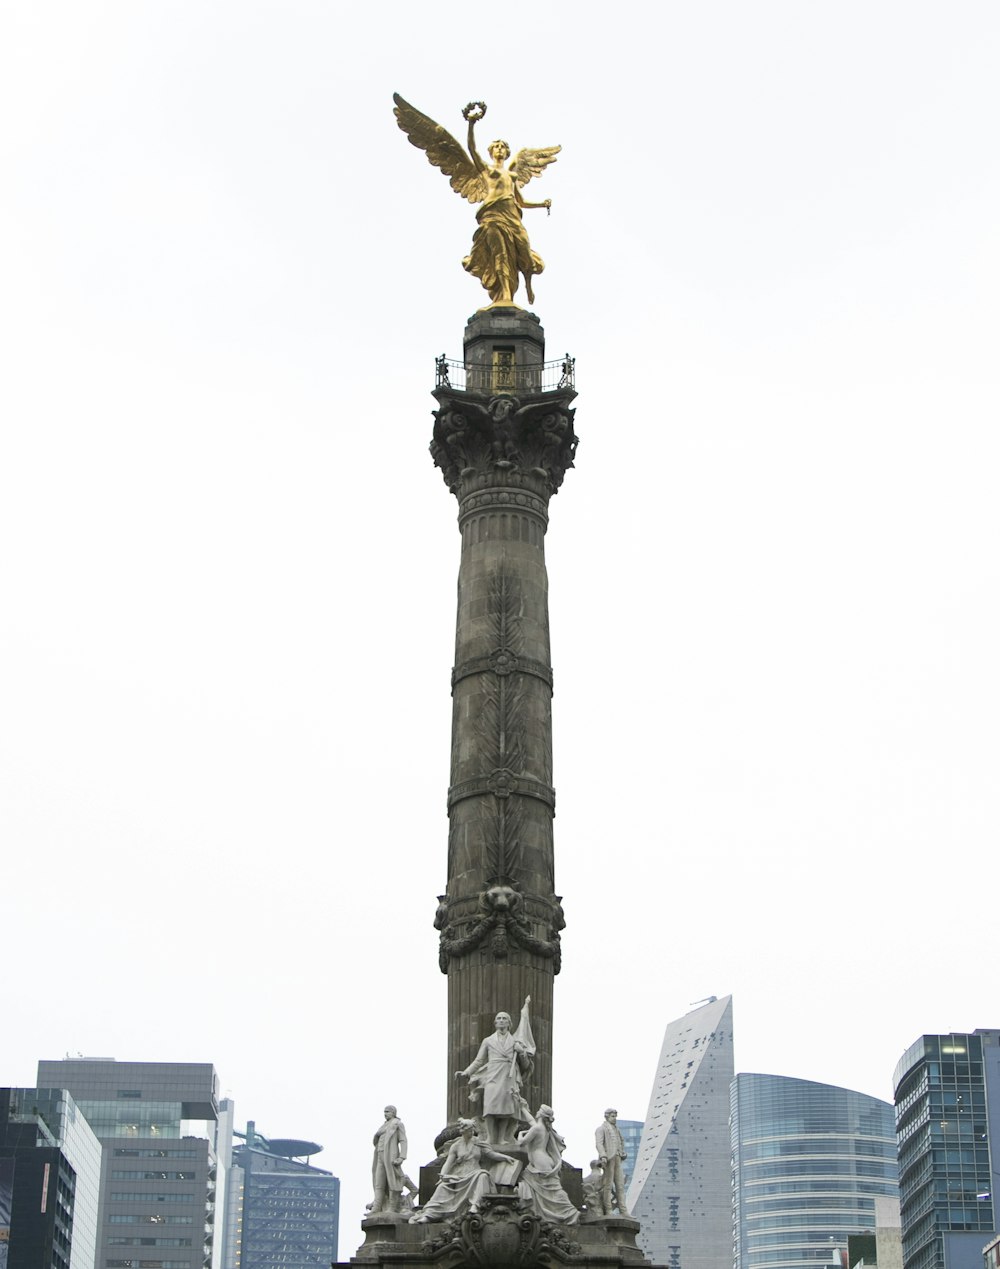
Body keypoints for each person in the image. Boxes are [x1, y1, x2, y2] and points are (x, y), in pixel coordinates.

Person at [462, 138, 552, 306]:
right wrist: (471, 123)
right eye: (496, 147)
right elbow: (471, 148)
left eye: (503, 147)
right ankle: (505, 295)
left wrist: (541, 204)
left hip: (512, 217)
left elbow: (521, 201)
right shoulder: (486, 170)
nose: (499, 149)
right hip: (493, 216)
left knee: (524, 252)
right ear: (490, 151)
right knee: (500, 254)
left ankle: (528, 282)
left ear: (507, 152)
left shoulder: (511, 175)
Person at [456, 996, 535, 1144]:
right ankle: (491, 1137)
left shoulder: (515, 1041)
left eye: (505, 1018)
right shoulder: (488, 1040)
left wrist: (522, 1052)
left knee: (506, 1107)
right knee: (490, 1105)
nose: (501, 1020)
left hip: (508, 1075)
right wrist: (467, 1072)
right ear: (495, 1023)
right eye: (499, 1018)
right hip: (493, 1073)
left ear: (509, 1023)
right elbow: (479, 1060)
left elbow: (525, 1065)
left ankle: (501, 1138)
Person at [410, 1119, 516, 1224]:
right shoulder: (455, 1146)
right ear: (463, 1131)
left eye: (472, 1130)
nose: (471, 1133)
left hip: (474, 1172)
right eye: (469, 1130)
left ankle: (475, 1205)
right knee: (443, 1186)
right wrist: (442, 1176)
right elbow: (448, 1163)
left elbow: (491, 1154)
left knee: (483, 1175)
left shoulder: (478, 1142)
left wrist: (505, 1157)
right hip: (459, 1175)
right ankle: (429, 1215)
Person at [515, 1103, 580, 1224]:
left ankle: (569, 1212)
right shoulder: (542, 1127)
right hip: (545, 1160)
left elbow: (521, 1143)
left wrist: (520, 1134)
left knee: (551, 1189)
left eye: (539, 1110)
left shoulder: (536, 1128)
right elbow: (530, 1119)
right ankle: (547, 1210)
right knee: (548, 1188)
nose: (536, 1112)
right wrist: (522, 1107)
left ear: (541, 1113)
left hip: (540, 1161)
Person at [369, 1105, 407, 1216]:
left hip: (391, 1156)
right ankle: (376, 1207)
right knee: (378, 1182)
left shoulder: (397, 1124)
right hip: (380, 1155)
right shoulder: (383, 1126)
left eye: (387, 1112)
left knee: (392, 1181)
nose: (385, 1114)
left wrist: (402, 1157)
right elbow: (376, 1140)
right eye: (384, 1112)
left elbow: (403, 1140)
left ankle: (392, 1207)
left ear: (393, 1112)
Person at [595, 1108, 629, 1217]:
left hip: (618, 1157)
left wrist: (622, 1152)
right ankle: (608, 1210)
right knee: (608, 1186)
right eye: (612, 1116)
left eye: (615, 1116)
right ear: (607, 1117)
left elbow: (621, 1141)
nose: (615, 1119)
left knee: (620, 1185)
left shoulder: (617, 1130)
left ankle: (623, 1211)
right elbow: (599, 1144)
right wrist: (603, 1156)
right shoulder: (601, 1129)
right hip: (608, 1159)